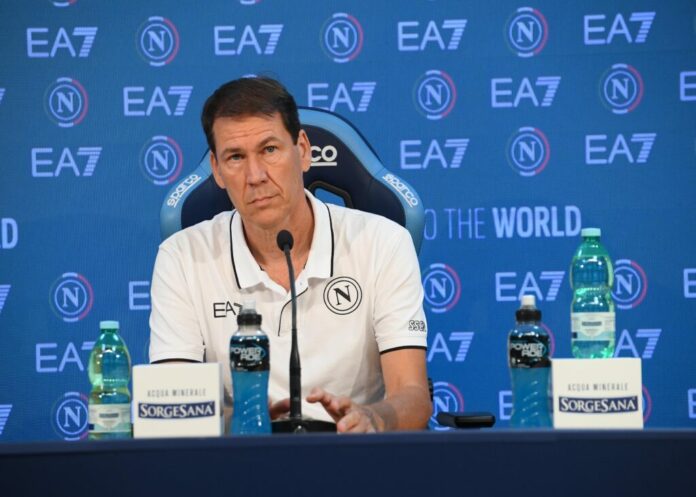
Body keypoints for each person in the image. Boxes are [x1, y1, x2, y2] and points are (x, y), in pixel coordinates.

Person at [149, 76, 431, 432]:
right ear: (217, 171)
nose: (255, 176)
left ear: (302, 150)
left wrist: (373, 419)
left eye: (269, 150)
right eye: (235, 157)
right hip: (240, 455)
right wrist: (243, 421)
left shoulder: (383, 243)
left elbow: (413, 396)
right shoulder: (181, 257)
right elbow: (173, 409)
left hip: (353, 452)